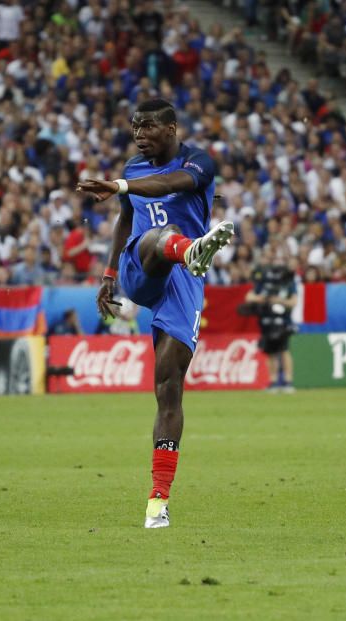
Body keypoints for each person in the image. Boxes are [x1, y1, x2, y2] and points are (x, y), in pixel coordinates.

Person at [77, 99, 235, 529]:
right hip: (141, 265)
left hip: (183, 284)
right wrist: (109, 273)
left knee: (168, 385)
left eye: (148, 126)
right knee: (159, 234)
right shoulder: (132, 168)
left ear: (172, 128)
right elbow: (126, 220)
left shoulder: (198, 162)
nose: (139, 133)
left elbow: (174, 183)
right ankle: (189, 248)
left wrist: (122, 187)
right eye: (135, 126)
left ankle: (157, 502)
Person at [245, 250, 297, 392]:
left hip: (283, 321)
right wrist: (261, 299)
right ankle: (273, 381)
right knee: (270, 351)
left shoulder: (288, 281)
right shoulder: (264, 281)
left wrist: (278, 300)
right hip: (266, 320)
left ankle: (288, 381)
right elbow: (249, 297)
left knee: (284, 350)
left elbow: (294, 302)